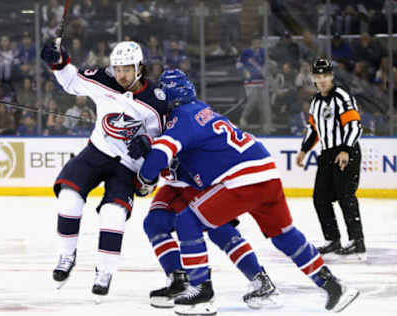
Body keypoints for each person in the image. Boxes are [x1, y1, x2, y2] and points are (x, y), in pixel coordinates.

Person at [130, 69, 359, 315]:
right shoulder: (201, 110)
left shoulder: (181, 116)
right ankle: (332, 285)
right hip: (266, 172)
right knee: (283, 235)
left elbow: (161, 156)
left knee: (188, 221)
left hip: (241, 179)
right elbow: (190, 162)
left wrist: (144, 177)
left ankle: (201, 292)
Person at [40, 39, 168, 296]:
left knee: (113, 215)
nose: (121, 74)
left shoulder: (156, 101)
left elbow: (167, 139)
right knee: (68, 199)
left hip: (127, 167)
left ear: (139, 68)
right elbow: (71, 81)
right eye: (117, 68)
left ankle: (105, 272)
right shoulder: (103, 80)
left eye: (127, 69)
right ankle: (66, 256)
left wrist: (150, 143)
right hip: (96, 152)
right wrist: (59, 62)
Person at [140, 163, 278, 309]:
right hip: (174, 186)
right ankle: (179, 279)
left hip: (206, 182)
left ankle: (260, 279)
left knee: (220, 231)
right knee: (155, 223)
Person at [295, 57, 366, 258]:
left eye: (325, 75)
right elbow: (314, 129)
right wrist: (303, 150)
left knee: (346, 196)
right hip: (327, 154)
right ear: (314, 78)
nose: (322, 79)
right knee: (320, 197)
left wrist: (345, 149)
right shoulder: (316, 102)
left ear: (332, 76)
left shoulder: (342, 96)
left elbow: (354, 125)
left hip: (346, 151)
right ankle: (332, 239)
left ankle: (356, 240)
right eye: (318, 76)